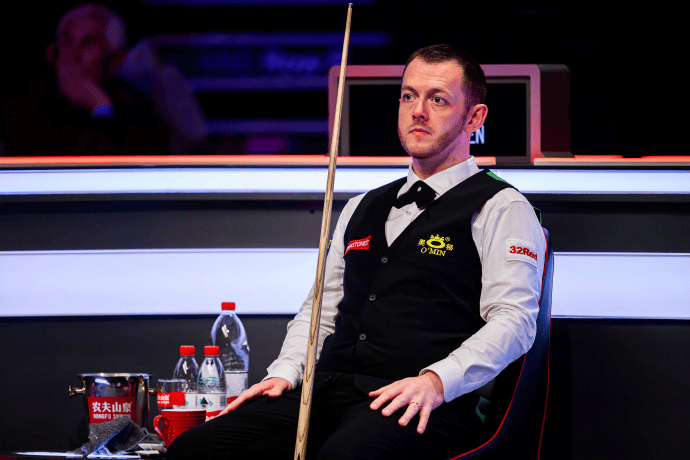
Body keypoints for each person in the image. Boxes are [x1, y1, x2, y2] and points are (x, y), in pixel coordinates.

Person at [167, 44, 546, 460]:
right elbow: (320, 311)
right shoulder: (361, 206)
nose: (418, 111)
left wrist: (437, 381)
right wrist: (286, 373)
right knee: (195, 449)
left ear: (474, 118)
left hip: (421, 402)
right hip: (328, 393)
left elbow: (514, 321)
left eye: (438, 100)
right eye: (408, 96)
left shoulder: (502, 207)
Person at [1, 3, 170, 156]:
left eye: (88, 43)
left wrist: (102, 110)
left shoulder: (139, 114)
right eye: (67, 41)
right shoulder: (23, 108)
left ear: (116, 60)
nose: (73, 55)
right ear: (53, 50)